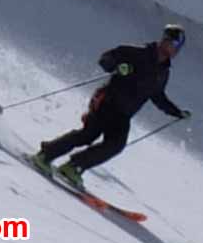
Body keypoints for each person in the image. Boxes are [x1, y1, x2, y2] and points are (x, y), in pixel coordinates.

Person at [30, 24, 191, 188]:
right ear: (164, 40)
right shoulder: (138, 53)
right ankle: (45, 155)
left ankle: (73, 166)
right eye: (173, 43)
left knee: (115, 145)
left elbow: (157, 96)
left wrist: (177, 112)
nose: (175, 49)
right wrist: (116, 66)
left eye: (178, 46)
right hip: (107, 101)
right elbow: (106, 59)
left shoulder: (163, 72)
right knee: (88, 135)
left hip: (123, 114)